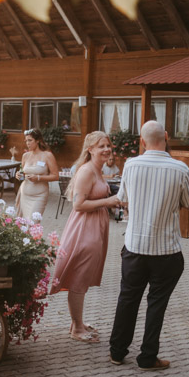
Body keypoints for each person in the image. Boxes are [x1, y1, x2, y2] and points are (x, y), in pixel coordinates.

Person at [108, 121, 189, 370]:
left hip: (135, 245)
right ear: (166, 137)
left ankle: (117, 352)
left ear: (141, 140)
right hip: (166, 250)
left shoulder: (131, 165)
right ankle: (148, 357)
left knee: (128, 299)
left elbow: (122, 199)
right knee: (157, 303)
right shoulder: (180, 168)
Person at [51, 131, 121, 343]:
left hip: (95, 227)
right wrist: (108, 202)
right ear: (90, 149)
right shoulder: (87, 171)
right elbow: (78, 205)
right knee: (79, 278)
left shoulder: (98, 170)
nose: (107, 149)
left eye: (108, 145)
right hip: (84, 229)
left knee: (83, 276)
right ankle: (77, 328)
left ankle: (77, 322)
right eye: (101, 146)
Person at [15, 128, 59, 219]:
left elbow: (56, 176)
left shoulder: (47, 155)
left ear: (38, 140)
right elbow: (22, 171)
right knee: (23, 224)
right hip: (24, 193)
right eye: (26, 141)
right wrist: (18, 175)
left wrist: (38, 178)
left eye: (30, 140)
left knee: (33, 222)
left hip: (39, 195)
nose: (27, 143)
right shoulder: (25, 156)